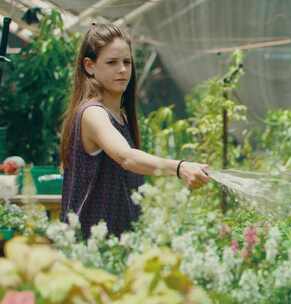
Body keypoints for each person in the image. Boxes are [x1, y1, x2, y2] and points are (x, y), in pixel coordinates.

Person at [59, 23, 210, 238]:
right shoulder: (93, 114)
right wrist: (180, 167)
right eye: (112, 62)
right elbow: (127, 158)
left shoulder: (121, 116)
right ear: (89, 66)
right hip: (91, 247)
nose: (122, 69)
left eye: (127, 62)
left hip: (118, 246)